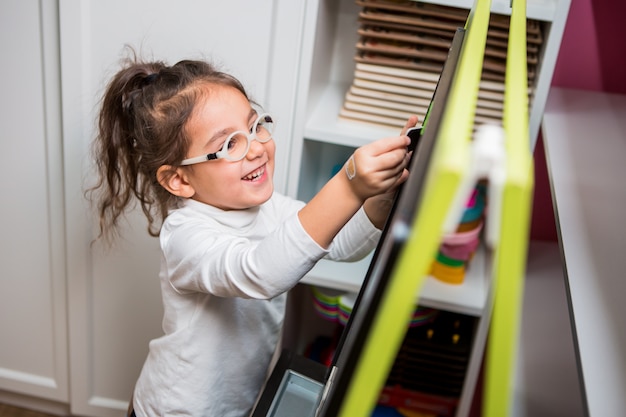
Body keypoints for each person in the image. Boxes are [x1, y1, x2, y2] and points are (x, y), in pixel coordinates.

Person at [89, 52, 418, 417]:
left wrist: (381, 198)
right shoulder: (184, 236)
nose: (257, 147)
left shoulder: (268, 208)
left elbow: (338, 242)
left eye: (255, 125)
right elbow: (261, 272)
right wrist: (349, 185)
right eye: (230, 144)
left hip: (236, 404)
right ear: (179, 180)